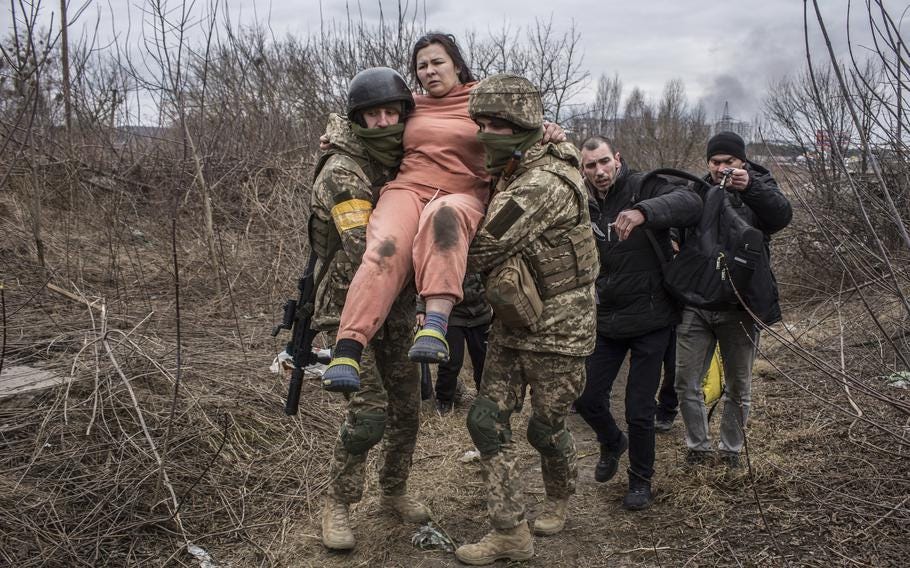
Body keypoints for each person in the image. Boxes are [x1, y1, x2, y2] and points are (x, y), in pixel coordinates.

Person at [454, 74, 598, 565]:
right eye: (481, 123)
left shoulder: (541, 184)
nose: (485, 133)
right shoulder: (518, 163)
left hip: (559, 330)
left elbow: (482, 246)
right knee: (486, 420)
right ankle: (510, 531)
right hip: (512, 323)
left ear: (521, 125)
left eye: (496, 124)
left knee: (545, 427)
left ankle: (559, 496)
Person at [320, 33, 489, 392]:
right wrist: (335, 135)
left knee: (443, 217)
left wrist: (550, 131)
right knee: (385, 247)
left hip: (462, 192)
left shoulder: (484, 100)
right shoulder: (413, 104)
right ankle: (348, 347)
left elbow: (524, 125)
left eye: (437, 62)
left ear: (456, 64)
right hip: (408, 188)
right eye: (421, 66)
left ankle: (435, 325)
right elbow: (366, 118)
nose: (429, 71)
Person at [309, 67, 429, 551]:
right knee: (369, 414)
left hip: (397, 306)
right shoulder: (343, 170)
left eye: (391, 112)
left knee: (407, 408)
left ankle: (393, 489)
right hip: (349, 310)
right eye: (372, 115)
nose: (383, 122)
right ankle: (337, 501)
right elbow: (366, 250)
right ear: (357, 119)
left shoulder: (406, 157)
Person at [573, 136, 702, 510]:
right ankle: (612, 441)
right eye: (589, 166)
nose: (598, 172)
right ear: (582, 170)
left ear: (617, 158)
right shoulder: (582, 201)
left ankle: (640, 481)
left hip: (652, 318)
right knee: (585, 398)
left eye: (603, 162)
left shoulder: (643, 185)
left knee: (639, 409)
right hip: (608, 318)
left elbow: (690, 201)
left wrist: (644, 211)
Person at [675, 131, 792, 468]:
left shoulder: (760, 186)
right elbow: (677, 223)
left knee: (739, 385)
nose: (721, 167)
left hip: (740, 305)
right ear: (707, 162)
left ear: (742, 161)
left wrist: (749, 187)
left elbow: (781, 216)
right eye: (715, 161)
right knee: (686, 382)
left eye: (729, 161)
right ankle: (697, 446)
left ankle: (730, 453)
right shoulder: (697, 189)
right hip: (697, 304)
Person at [429, 272, 491, 414]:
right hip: (452, 314)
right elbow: (427, 278)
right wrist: (421, 310)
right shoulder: (444, 251)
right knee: (451, 361)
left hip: (481, 313)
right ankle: (444, 400)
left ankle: (484, 395)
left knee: (483, 359)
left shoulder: (481, 250)